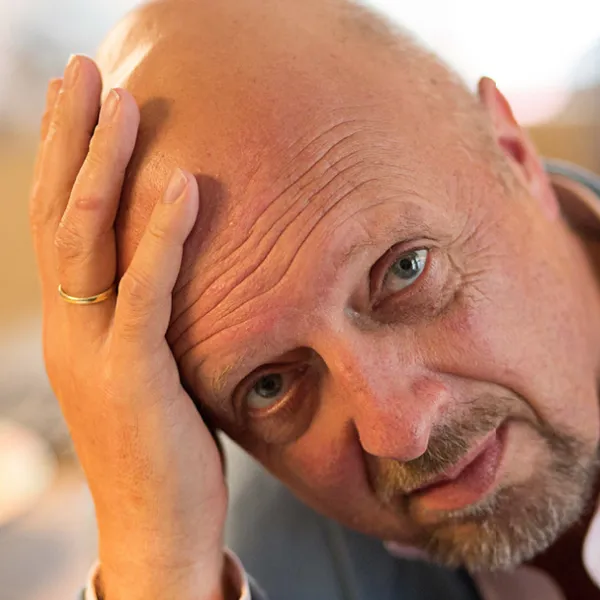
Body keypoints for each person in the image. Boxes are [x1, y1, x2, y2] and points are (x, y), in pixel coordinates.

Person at [28, 0, 599, 598]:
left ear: (514, 155)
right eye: (271, 385)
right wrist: (157, 566)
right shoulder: (250, 563)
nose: (400, 432)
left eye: (404, 271)